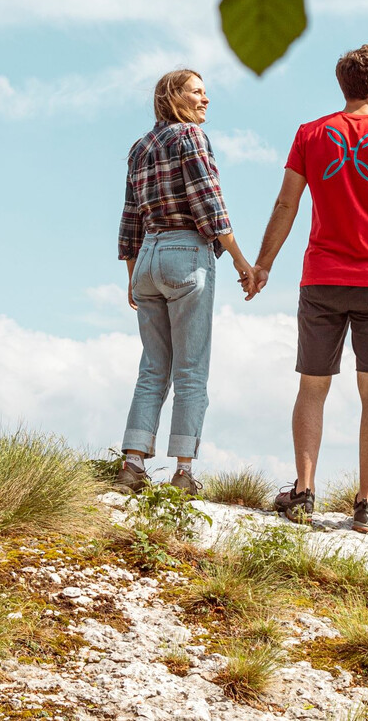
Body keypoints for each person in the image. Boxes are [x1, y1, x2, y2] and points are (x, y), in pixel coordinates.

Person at [245, 45, 368, 533]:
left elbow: (285, 205)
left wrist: (263, 264)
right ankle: (366, 505)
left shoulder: (310, 135)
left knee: (312, 386)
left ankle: (304, 493)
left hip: (322, 279)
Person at [116, 69, 256, 495]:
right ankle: (182, 473)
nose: (206, 99)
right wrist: (242, 261)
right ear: (174, 96)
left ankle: (132, 463)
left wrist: (132, 276)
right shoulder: (189, 138)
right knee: (191, 370)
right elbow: (208, 204)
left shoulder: (139, 148)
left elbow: (129, 220)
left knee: (152, 368)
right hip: (185, 253)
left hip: (147, 260)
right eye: (197, 91)